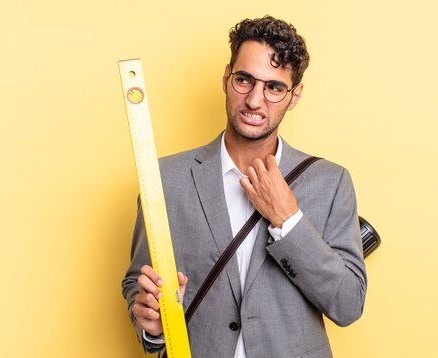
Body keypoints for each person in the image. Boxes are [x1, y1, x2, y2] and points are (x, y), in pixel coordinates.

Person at [122, 15, 367, 357]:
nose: (254, 100)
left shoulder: (330, 182)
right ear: (226, 78)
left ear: (294, 96)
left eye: (274, 87)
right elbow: (138, 282)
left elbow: (348, 303)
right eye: (244, 80)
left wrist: (288, 220)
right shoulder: (165, 179)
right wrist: (152, 327)